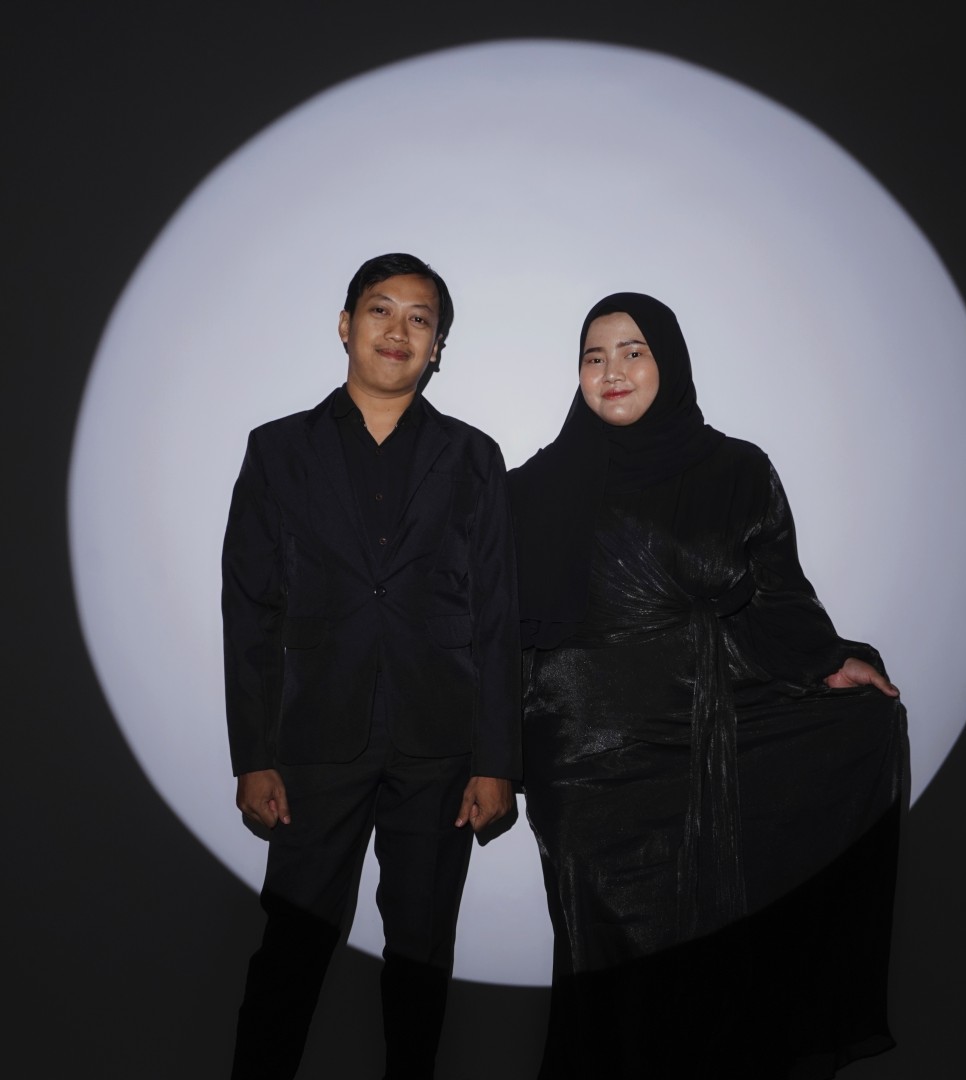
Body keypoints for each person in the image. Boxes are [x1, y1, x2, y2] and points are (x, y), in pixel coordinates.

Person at [508, 293, 908, 1079]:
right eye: (594, 357)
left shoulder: (737, 471)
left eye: (633, 352)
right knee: (613, 976)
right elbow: (497, 633)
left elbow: (777, 598)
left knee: (716, 961)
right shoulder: (531, 492)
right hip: (587, 761)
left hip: (707, 739)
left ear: (669, 361)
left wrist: (828, 661)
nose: (613, 371)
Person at [221, 253, 520, 1080]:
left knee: (420, 957)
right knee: (290, 951)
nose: (398, 330)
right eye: (381, 310)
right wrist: (253, 754)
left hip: (441, 747)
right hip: (315, 743)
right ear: (346, 324)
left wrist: (497, 761)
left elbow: (498, 617)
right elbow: (249, 609)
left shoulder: (474, 457)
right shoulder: (278, 450)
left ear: (438, 346)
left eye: (420, 319)